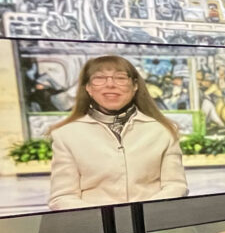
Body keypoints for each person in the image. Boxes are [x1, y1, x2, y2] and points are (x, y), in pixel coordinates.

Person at [47, 55, 188, 210]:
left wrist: (142, 215)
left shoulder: (163, 130)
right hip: (95, 223)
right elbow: (63, 197)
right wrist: (104, 219)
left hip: (151, 220)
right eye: (99, 78)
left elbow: (176, 186)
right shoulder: (66, 134)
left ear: (135, 86)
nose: (110, 84)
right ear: (88, 87)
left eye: (120, 78)